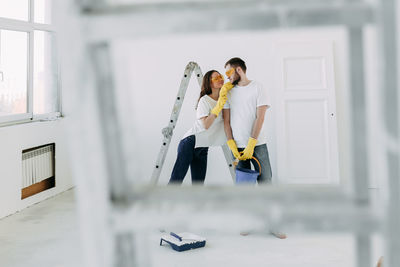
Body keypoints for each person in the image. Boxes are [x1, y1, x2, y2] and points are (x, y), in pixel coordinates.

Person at [222, 57, 286, 239]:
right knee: (244, 188)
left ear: (239, 70)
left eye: (228, 72)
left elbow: (260, 117)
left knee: (266, 183)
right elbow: (226, 121)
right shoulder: (228, 92)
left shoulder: (258, 87)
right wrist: (231, 143)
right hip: (238, 147)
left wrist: (252, 142)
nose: (227, 77)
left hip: (258, 145)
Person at [168, 70, 233, 185]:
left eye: (220, 76)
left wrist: (232, 146)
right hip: (190, 142)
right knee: (176, 181)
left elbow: (226, 123)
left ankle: (196, 203)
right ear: (209, 83)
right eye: (216, 78)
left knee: (198, 186)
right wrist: (217, 108)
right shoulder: (204, 100)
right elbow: (206, 125)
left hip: (203, 147)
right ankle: (165, 202)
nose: (220, 79)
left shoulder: (224, 101)